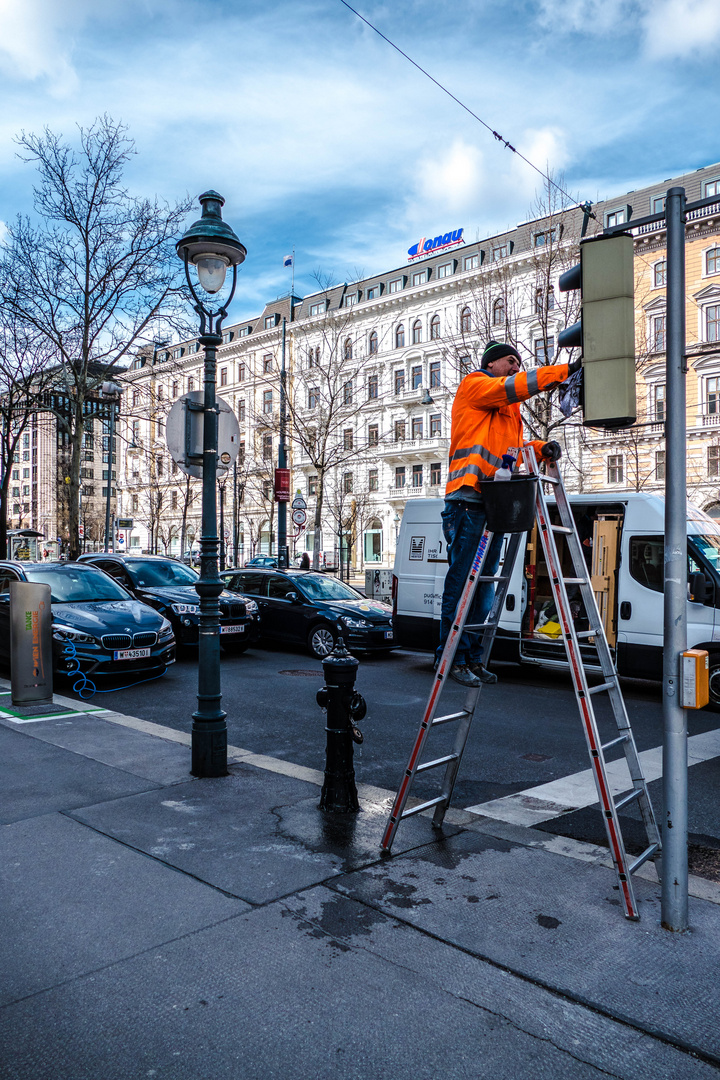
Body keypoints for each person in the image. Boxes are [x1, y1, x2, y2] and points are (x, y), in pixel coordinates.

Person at [436, 340, 581, 687]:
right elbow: (513, 388)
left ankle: (470, 657)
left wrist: (540, 449)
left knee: (484, 589)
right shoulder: (476, 384)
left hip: (492, 504)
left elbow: (511, 454)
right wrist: (564, 372)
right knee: (462, 586)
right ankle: (451, 658)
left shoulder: (508, 412)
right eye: (511, 361)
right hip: (467, 501)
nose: (517, 367)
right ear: (493, 364)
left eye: (519, 362)